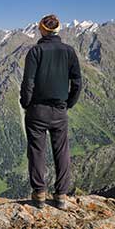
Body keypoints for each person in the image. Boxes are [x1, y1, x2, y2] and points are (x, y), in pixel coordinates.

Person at [20, 14, 82, 210]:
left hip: (37, 110)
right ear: (58, 30)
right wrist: (68, 103)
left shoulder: (35, 51)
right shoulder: (69, 52)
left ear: (41, 29)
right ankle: (61, 195)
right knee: (61, 151)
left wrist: (26, 103)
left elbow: (28, 82)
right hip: (59, 110)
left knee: (37, 151)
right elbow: (78, 83)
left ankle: (39, 194)